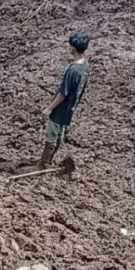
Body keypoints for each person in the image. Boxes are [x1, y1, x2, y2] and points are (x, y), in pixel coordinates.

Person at [38, 33, 91, 170]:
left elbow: (63, 93)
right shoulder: (85, 65)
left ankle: (43, 164)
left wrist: (49, 108)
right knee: (60, 135)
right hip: (70, 108)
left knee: (51, 136)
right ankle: (50, 160)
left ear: (73, 48)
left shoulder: (73, 70)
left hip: (60, 109)